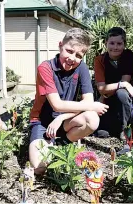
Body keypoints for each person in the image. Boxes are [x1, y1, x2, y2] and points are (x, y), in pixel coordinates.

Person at [29, 28, 109, 174]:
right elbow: (57, 104)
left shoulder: (82, 68)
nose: (72, 58)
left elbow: (88, 103)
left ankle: (62, 143)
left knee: (92, 118)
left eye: (79, 55)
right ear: (60, 45)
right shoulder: (45, 68)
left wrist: (61, 117)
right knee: (40, 167)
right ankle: (47, 143)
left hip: (64, 120)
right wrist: (91, 105)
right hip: (42, 122)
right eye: (69, 51)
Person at [93, 27, 133, 139]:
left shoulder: (128, 55)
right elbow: (101, 87)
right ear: (106, 43)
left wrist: (105, 94)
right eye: (112, 43)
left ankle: (124, 128)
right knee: (103, 133)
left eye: (119, 43)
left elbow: (126, 81)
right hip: (107, 100)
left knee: (121, 93)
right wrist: (104, 93)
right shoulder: (99, 60)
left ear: (124, 44)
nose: (115, 47)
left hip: (122, 98)